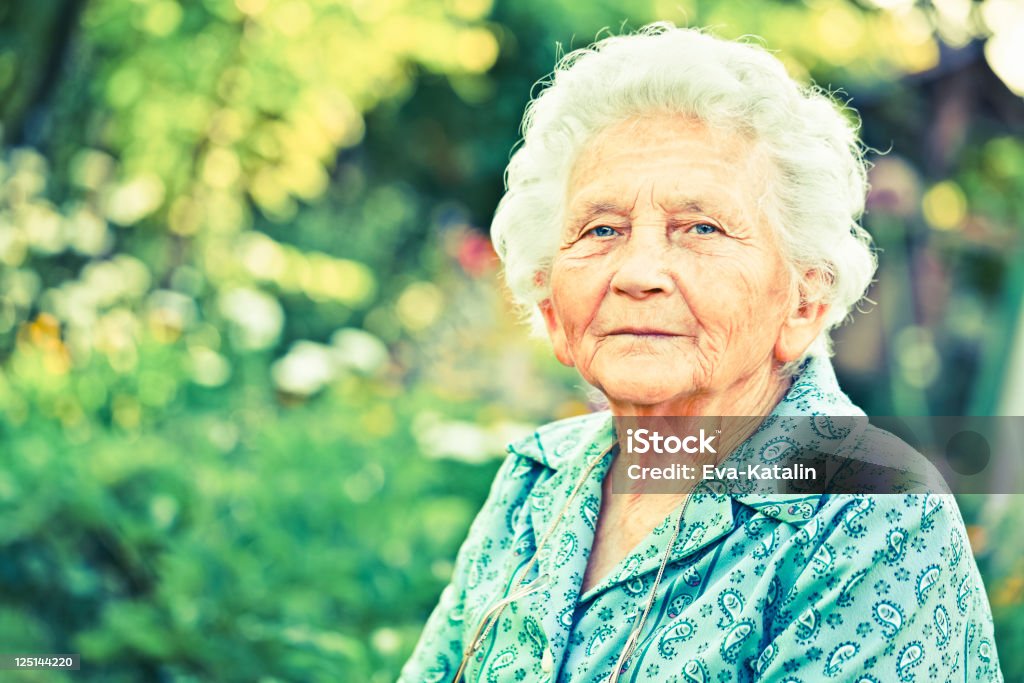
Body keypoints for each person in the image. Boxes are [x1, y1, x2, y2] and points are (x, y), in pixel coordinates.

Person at [400, 24, 1003, 682]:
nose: (639, 271)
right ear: (552, 307)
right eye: (602, 228)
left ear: (804, 302)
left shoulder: (872, 514)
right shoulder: (539, 477)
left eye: (701, 228)